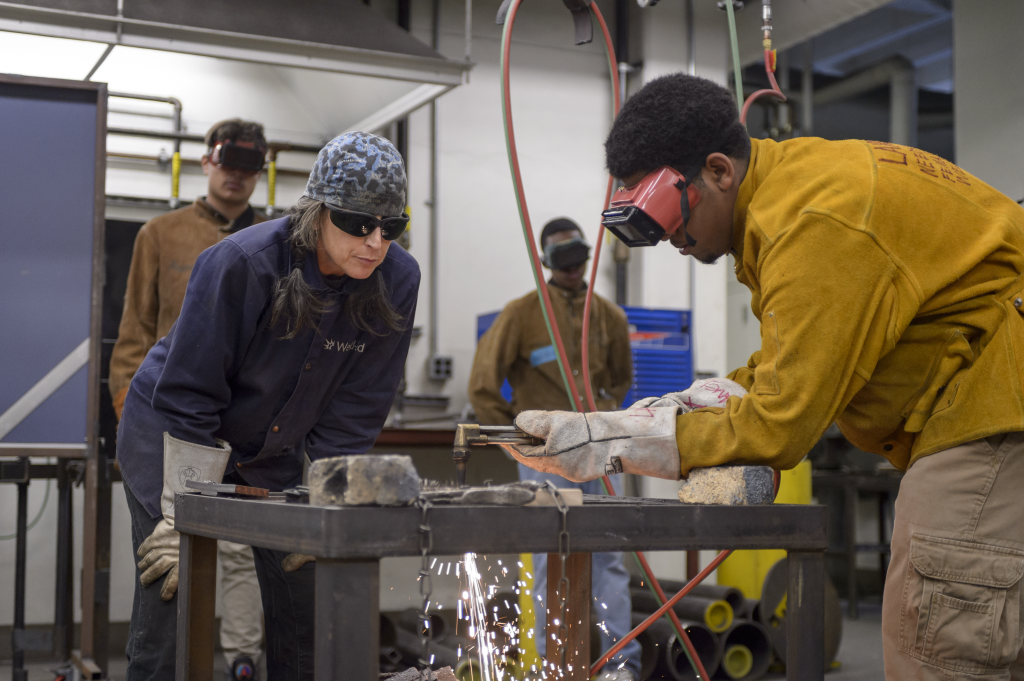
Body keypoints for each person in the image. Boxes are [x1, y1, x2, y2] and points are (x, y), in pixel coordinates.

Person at [507, 73, 1024, 679]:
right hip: (990, 405)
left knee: (935, 642)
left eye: (673, 214)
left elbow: (782, 425)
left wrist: (615, 443)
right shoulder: (794, 190)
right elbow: (790, 364)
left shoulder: (814, 225)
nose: (671, 237)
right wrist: (687, 403)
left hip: (993, 416)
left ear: (720, 171)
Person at [116, 131, 419, 681]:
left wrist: (323, 501)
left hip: (273, 448)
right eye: (357, 224)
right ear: (317, 211)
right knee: (172, 596)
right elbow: (190, 394)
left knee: (305, 601)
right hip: (175, 434)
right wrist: (179, 509)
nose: (376, 242)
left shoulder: (397, 278)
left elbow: (357, 407)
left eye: (390, 227)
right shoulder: (242, 262)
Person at [109, 119, 270, 681]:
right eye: (229, 162)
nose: (237, 176)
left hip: (244, 430)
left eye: (251, 167)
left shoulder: (277, 244)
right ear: (206, 161)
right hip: (170, 424)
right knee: (170, 573)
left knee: (246, 559)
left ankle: (244, 664)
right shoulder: (160, 233)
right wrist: (136, 430)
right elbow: (133, 335)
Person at [468, 218, 639, 681]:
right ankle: (551, 668)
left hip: (600, 451)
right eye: (561, 259)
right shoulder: (522, 314)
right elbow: (483, 386)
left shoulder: (608, 316)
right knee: (547, 559)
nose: (571, 268)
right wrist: (517, 444)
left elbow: (620, 381)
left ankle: (621, 666)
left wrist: (601, 423)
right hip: (543, 458)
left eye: (578, 257)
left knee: (609, 558)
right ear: (545, 261)